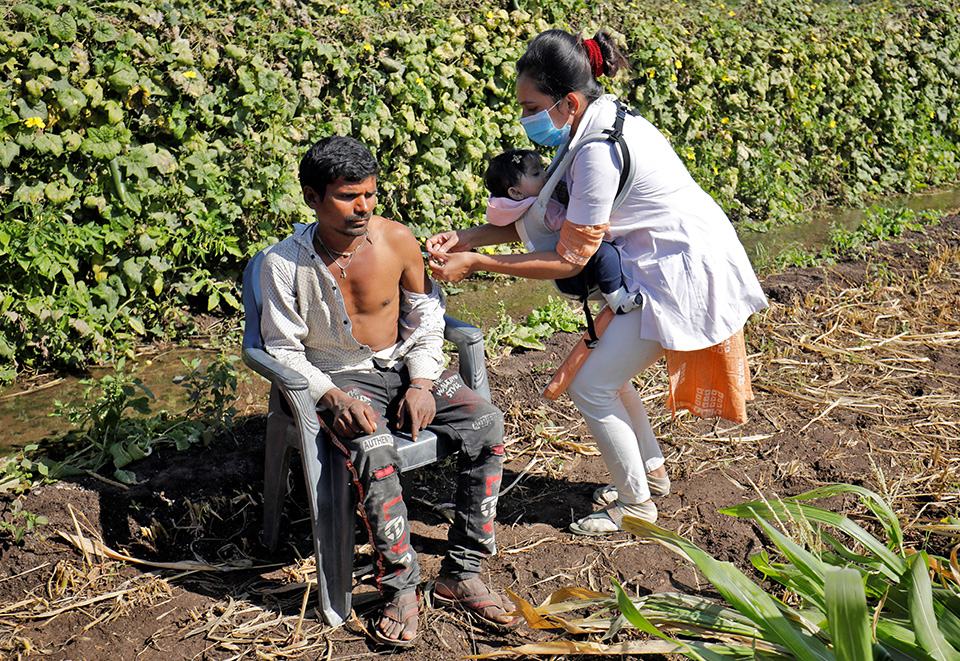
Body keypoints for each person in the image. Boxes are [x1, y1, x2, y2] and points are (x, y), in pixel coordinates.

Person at [427, 30, 768, 536]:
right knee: (609, 376)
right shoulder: (591, 122)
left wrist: (477, 262)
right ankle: (650, 475)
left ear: (566, 101)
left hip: (683, 274)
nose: (524, 119)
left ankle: (636, 507)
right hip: (656, 265)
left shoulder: (596, 152)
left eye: (530, 106)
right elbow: (545, 215)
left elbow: (567, 257)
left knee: (591, 386)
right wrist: (468, 237)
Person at [259, 136, 517, 646]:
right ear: (312, 197)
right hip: (342, 378)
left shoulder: (397, 240)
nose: (363, 207)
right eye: (347, 196)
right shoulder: (282, 264)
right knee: (373, 448)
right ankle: (400, 585)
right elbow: (281, 350)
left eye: (371, 195)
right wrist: (329, 395)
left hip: (404, 366)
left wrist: (423, 381)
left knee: (486, 422)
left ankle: (461, 572)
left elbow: (426, 318)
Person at [484, 148, 642, 315]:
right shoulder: (543, 211)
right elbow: (577, 227)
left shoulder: (521, 209)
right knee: (605, 253)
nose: (545, 175)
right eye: (536, 174)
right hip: (572, 275)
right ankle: (618, 300)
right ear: (515, 193)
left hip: (565, 276)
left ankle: (611, 297)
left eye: (543, 169)